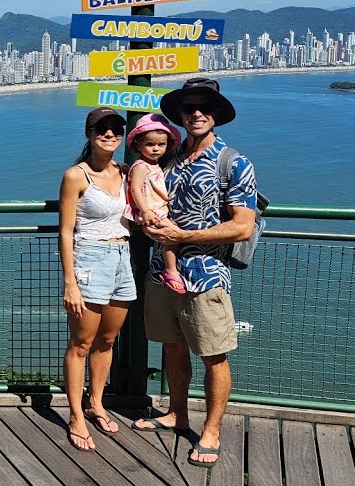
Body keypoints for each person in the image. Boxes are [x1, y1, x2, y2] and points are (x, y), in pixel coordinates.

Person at [132, 77, 258, 470]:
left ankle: (212, 430)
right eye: (189, 108)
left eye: (204, 107)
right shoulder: (166, 157)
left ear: (217, 113)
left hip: (206, 275)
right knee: (171, 346)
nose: (196, 113)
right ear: (181, 115)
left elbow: (242, 226)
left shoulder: (233, 162)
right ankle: (177, 413)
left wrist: (184, 234)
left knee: (214, 356)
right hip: (162, 272)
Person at [58, 107, 134, 452]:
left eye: (115, 129)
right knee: (82, 344)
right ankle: (76, 415)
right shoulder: (76, 175)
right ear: (89, 134)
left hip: (123, 259)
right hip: (90, 258)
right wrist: (70, 281)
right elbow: (66, 230)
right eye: (101, 129)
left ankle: (96, 403)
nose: (109, 134)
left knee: (107, 340)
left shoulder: (127, 172)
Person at [125, 113, 184, 293]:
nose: (156, 149)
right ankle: (171, 271)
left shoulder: (154, 164)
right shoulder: (141, 166)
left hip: (155, 209)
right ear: (139, 144)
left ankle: (171, 269)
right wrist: (145, 211)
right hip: (150, 212)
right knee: (171, 236)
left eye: (161, 144)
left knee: (171, 236)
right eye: (150, 144)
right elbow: (135, 189)